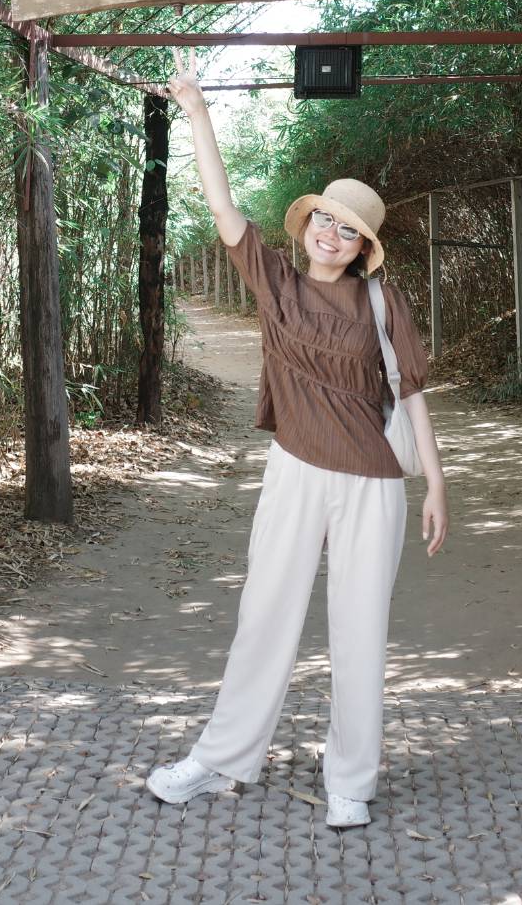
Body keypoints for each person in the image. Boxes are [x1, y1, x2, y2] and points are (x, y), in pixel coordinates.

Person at [144, 51, 449, 831]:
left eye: (349, 230)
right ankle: (221, 757)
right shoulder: (275, 280)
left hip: (373, 483)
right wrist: (197, 110)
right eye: (325, 219)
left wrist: (436, 484)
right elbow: (222, 206)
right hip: (293, 471)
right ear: (307, 223)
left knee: (360, 630)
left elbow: (412, 391)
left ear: (363, 246)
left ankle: (351, 778)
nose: (332, 234)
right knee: (265, 614)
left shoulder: (381, 302)